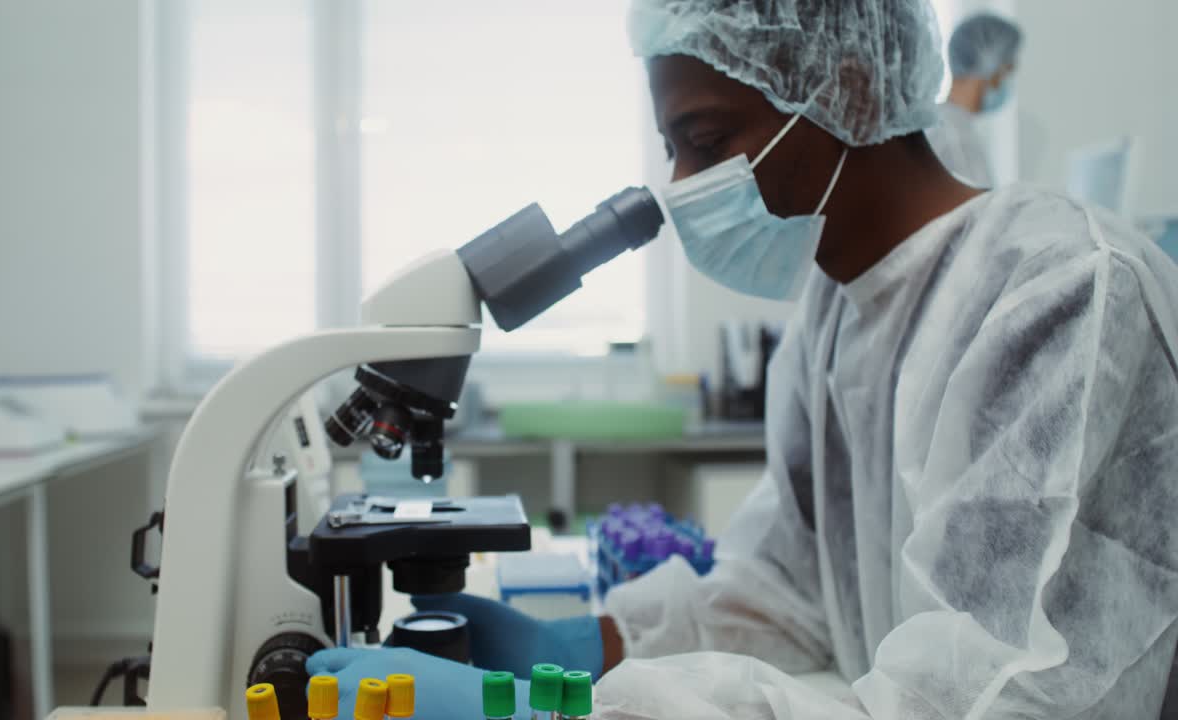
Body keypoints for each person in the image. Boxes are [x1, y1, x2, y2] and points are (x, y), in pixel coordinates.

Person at [309, 0, 1178, 718]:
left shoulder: (1059, 293)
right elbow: (785, 594)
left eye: (708, 137)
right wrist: (575, 651)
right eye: (671, 147)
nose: (682, 185)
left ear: (849, 85)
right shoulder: (839, 305)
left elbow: (985, 701)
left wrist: (564, 717)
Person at [925, 12, 1023, 187]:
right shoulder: (955, 137)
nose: (1007, 81)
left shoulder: (950, 124)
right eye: (1008, 70)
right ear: (991, 65)